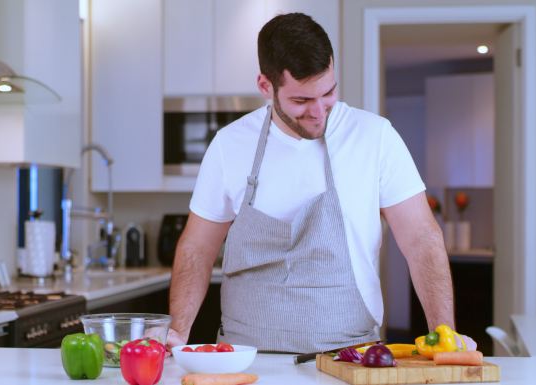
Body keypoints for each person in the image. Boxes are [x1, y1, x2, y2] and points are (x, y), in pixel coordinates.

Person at [167, 12, 470, 353]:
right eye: (301, 100)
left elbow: (421, 239)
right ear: (266, 86)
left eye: (328, 93)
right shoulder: (230, 144)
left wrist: (445, 335)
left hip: (351, 357)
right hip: (244, 360)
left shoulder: (374, 137)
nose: (319, 111)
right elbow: (197, 247)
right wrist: (177, 331)